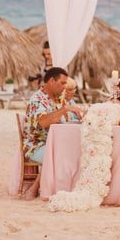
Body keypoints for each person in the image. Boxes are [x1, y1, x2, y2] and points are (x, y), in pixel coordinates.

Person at [21, 67, 83, 199]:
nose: (65, 87)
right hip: (36, 146)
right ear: (51, 81)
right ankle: (38, 187)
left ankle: (67, 188)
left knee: (75, 150)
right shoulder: (38, 100)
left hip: (53, 144)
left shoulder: (56, 99)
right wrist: (64, 110)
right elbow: (43, 122)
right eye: (62, 83)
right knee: (64, 154)